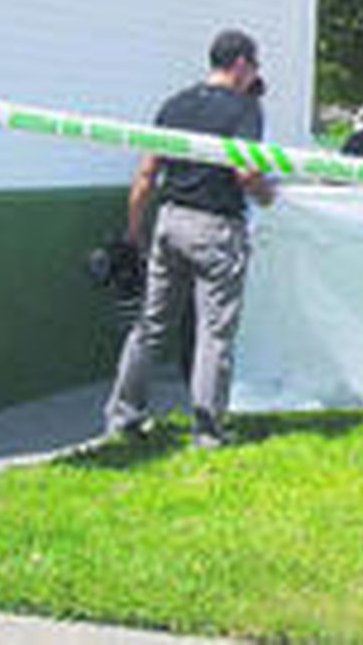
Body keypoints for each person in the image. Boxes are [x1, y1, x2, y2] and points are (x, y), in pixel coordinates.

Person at [104, 29, 275, 448]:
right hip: (216, 228)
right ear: (239, 64)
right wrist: (268, 196)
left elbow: (146, 174)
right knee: (214, 333)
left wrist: (133, 233)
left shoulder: (174, 106)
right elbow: (246, 172)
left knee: (150, 325)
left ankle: (122, 417)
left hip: (170, 222)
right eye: (253, 67)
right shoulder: (245, 110)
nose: (254, 76)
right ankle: (208, 430)